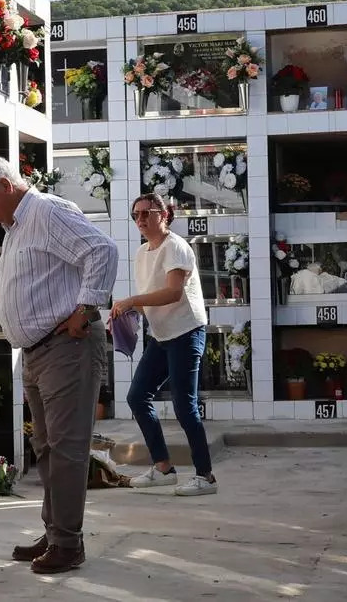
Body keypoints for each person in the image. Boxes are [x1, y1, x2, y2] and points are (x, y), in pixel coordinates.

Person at [0, 154, 118, 574]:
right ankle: (55, 534)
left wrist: (86, 309)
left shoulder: (46, 212)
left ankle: (67, 544)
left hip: (65, 347)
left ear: (5, 186)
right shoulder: (17, 226)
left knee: (66, 450)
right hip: (39, 351)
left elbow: (102, 249)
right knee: (47, 450)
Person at [109, 193, 217, 495]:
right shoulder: (142, 253)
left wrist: (132, 300)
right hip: (162, 336)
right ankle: (163, 468)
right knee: (137, 397)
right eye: (136, 215)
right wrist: (124, 316)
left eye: (146, 213)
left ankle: (205, 476)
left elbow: (173, 294)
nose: (140, 220)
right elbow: (147, 302)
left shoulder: (176, 247)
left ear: (164, 214)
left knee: (185, 407)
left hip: (186, 332)